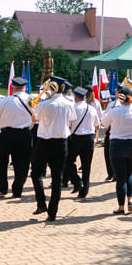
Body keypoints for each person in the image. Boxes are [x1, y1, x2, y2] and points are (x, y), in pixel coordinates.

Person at [30, 76, 77, 221]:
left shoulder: (44, 104)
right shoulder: (69, 103)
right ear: (63, 88)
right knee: (57, 178)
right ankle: (53, 213)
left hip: (44, 142)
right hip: (61, 143)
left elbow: (34, 119)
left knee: (36, 173)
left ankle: (41, 203)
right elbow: (71, 120)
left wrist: (36, 105)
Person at [101, 85, 132, 214]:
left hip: (117, 144)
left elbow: (104, 123)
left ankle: (121, 207)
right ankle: (130, 201)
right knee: (129, 174)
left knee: (120, 177)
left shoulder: (114, 110)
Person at [0, 76, 34, 197]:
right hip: (25, 134)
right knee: (22, 163)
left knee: (1, 162)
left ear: (12, 87)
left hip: (6, 134)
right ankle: (17, 189)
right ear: (25, 88)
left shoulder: (5, 100)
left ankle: (3, 188)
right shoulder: (32, 100)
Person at [66, 86, 99, 199]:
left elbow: (68, 125)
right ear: (85, 97)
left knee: (68, 161)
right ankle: (84, 191)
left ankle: (77, 181)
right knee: (86, 166)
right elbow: (97, 125)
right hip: (89, 138)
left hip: (75, 137)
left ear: (75, 98)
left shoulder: (73, 108)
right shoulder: (92, 109)